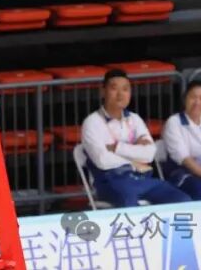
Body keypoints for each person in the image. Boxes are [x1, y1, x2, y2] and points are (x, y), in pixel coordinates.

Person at [81, 69, 192, 207]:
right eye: (114, 88)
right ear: (103, 91)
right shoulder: (92, 122)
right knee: (129, 201)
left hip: (142, 178)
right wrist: (135, 157)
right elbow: (102, 160)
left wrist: (117, 148)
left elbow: (149, 154)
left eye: (125, 89)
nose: (120, 94)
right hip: (110, 182)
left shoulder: (135, 119)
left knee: (181, 199)